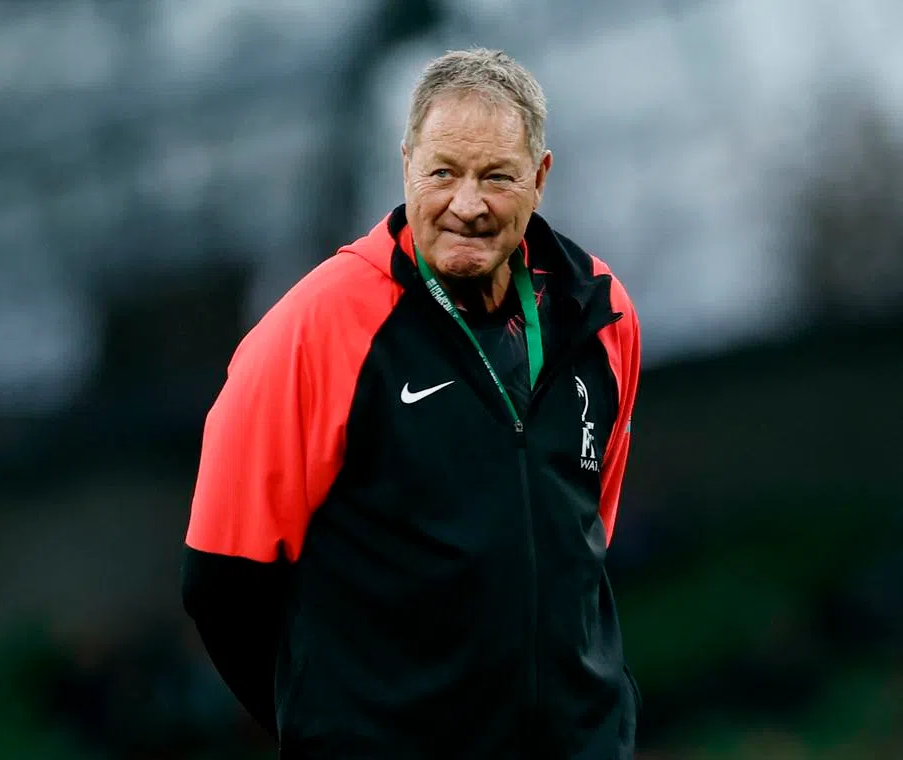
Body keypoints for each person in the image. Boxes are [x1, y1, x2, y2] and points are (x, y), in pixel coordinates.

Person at [181, 48, 642, 759]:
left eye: (497, 176)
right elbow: (222, 581)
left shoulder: (602, 316)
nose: (468, 205)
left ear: (540, 178)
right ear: (405, 165)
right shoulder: (313, 330)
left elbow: (584, 539)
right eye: (443, 173)